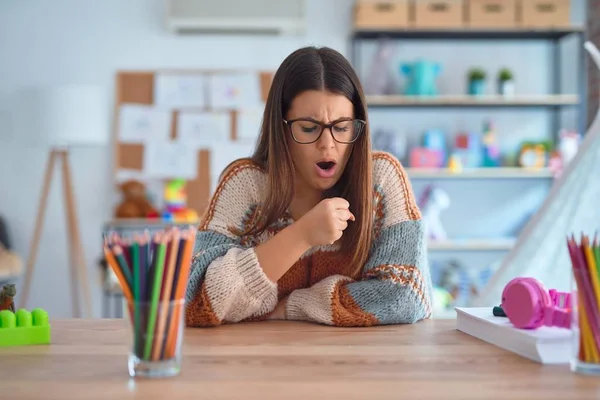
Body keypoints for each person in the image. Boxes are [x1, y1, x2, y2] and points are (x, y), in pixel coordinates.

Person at [184, 46, 432, 327]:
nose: (327, 144)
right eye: (309, 128)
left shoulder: (382, 179)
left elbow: (407, 296)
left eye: (341, 127)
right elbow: (196, 302)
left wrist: (294, 305)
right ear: (282, 129)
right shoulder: (246, 184)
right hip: (261, 363)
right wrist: (301, 235)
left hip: (359, 366)